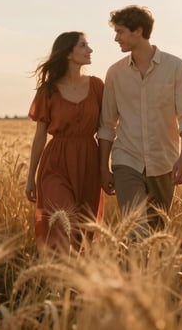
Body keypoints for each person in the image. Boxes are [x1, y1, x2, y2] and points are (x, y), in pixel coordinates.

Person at [97, 5, 182, 237]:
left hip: (164, 163)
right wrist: (104, 168)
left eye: (120, 31)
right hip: (126, 161)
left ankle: (148, 273)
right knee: (136, 232)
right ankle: (135, 271)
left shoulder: (176, 68)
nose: (116, 38)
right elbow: (106, 125)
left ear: (138, 31)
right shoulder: (115, 73)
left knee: (157, 233)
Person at [25, 31, 104, 253]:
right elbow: (40, 136)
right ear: (69, 53)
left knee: (83, 229)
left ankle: (74, 283)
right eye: (83, 45)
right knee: (60, 219)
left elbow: (108, 127)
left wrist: (106, 168)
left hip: (89, 161)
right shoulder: (48, 90)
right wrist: (30, 177)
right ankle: (57, 275)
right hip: (56, 162)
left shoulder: (98, 87)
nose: (90, 50)